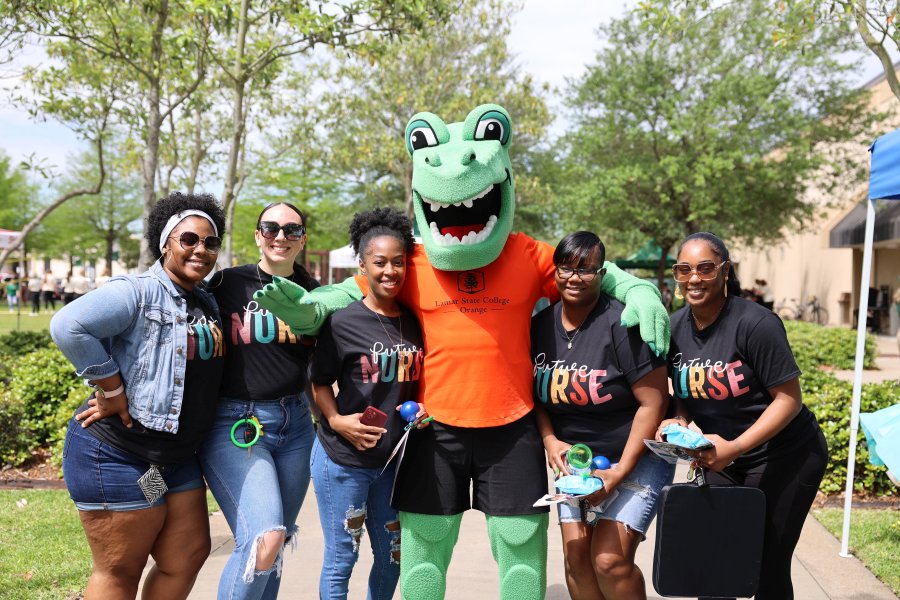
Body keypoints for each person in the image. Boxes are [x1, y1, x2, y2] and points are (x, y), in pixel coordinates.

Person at [49, 192, 226, 600]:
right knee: (121, 570)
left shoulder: (204, 298)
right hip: (116, 452)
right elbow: (68, 325)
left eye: (210, 242)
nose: (201, 249)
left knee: (187, 554)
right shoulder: (139, 291)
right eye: (189, 239)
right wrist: (111, 386)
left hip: (173, 456)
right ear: (165, 243)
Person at [656, 232, 827, 600]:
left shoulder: (756, 323)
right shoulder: (674, 327)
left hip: (787, 454)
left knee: (767, 563)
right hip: (726, 457)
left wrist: (733, 448)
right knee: (713, 560)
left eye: (705, 268)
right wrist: (679, 420)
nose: (694, 278)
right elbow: (683, 390)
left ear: (724, 271)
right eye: (683, 269)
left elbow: (788, 400)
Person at [531, 231, 673, 600]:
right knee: (576, 557)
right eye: (566, 268)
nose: (574, 278)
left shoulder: (623, 324)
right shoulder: (539, 326)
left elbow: (653, 402)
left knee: (609, 560)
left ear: (603, 272)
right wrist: (550, 440)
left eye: (586, 270)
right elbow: (535, 398)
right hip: (576, 467)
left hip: (635, 457)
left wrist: (619, 472)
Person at [199, 202, 320, 600]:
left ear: (302, 239)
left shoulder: (314, 295)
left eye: (291, 230)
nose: (280, 236)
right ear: (258, 236)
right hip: (237, 425)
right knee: (263, 539)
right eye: (271, 228)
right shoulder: (225, 285)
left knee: (276, 544)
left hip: (297, 426)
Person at [309, 207, 423, 600]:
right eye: (379, 263)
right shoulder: (343, 322)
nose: (390, 271)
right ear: (362, 265)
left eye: (398, 263)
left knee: (394, 557)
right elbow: (318, 381)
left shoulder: (414, 321)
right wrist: (337, 420)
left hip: (392, 465)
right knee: (342, 558)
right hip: (343, 461)